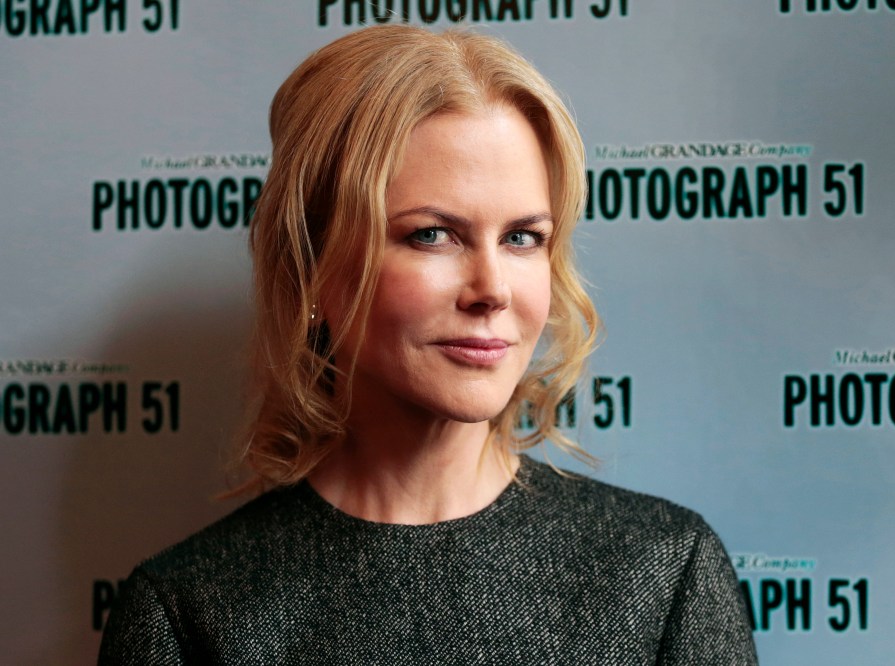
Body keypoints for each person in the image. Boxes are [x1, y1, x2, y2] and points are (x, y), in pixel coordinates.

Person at [99, 25, 757, 665]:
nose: (492, 289)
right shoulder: (189, 615)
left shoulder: (666, 572)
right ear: (315, 269)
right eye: (433, 235)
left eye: (523, 237)